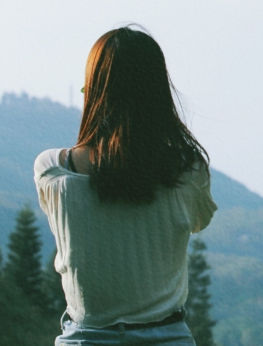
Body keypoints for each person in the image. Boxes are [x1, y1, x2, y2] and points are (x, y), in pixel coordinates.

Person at [35, 26, 217, 345]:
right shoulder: (189, 172)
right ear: (159, 94)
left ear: (92, 92)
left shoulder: (53, 171)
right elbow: (198, 222)